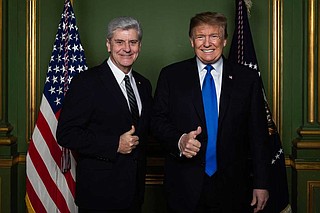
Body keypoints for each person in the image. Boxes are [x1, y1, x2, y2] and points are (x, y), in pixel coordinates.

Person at [151, 12, 270, 213]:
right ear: (191, 41)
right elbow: (156, 121)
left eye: (214, 36)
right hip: (184, 184)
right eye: (200, 37)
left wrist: (261, 183)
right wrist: (179, 140)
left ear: (224, 40)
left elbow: (258, 134)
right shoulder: (171, 76)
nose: (207, 43)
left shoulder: (246, 79)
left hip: (233, 186)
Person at [57, 16, 153, 213]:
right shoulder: (86, 82)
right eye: (119, 42)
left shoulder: (143, 85)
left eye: (132, 42)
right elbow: (66, 133)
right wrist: (115, 144)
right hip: (99, 196)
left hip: (134, 194)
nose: (126, 48)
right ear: (108, 44)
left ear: (139, 46)